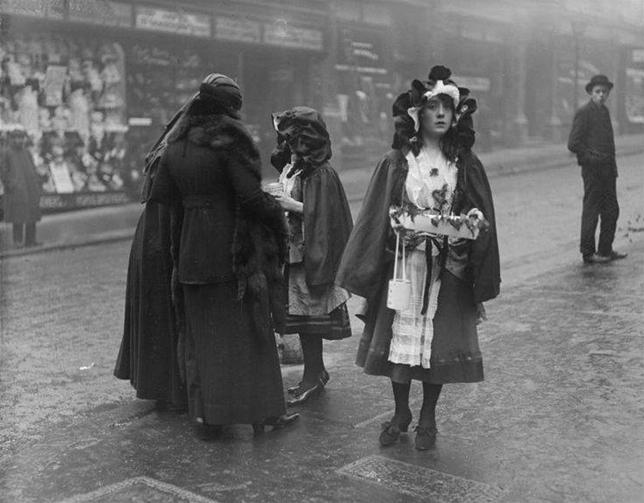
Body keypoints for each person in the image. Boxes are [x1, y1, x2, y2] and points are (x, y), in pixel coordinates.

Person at [336, 66, 500, 450]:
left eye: (447, 107)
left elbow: (478, 211)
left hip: (448, 268)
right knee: (400, 344)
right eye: (433, 107)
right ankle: (400, 412)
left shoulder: (464, 163)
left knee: (437, 346)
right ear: (417, 114)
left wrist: (472, 223)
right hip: (404, 266)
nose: (441, 114)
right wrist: (398, 231)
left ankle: (427, 415)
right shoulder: (398, 161)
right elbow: (378, 215)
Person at [147, 73, 298, 436]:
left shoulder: (177, 143)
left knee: (202, 336)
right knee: (251, 330)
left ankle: (208, 417)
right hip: (234, 253)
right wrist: (277, 215)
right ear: (231, 107)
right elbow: (249, 196)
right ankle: (265, 414)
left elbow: (161, 196)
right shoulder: (231, 139)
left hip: (190, 253)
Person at [114, 94, 194, 412]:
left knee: (155, 310)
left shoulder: (165, 145)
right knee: (168, 309)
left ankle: (159, 385)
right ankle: (173, 387)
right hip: (163, 233)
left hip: (149, 234)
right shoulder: (180, 150)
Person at [270, 107, 353, 406]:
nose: (287, 145)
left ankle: (313, 376)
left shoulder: (321, 173)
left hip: (311, 256)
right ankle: (314, 374)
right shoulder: (295, 168)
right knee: (302, 319)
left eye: (293, 140)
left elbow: (324, 215)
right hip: (294, 254)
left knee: (310, 320)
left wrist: (289, 203)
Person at [567, 74, 627, 264]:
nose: (601, 95)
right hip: (593, 172)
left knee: (611, 210)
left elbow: (608, 143)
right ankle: (588, 253)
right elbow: (573, 143)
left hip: (608, 171)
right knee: (592, 210)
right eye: (597, 92)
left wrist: (611, 166)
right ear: (591, 93)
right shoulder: (585, 112)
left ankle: (605, 250)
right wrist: (591, 159)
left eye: (604, 92)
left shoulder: (604, 112)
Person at [1, 128, 42, 247]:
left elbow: (33, 167)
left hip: (30, 187)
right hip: (17, 190)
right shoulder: (6, 152)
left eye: (21, 138)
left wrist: (36, 181)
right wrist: (10, 184)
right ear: (11, 139)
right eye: (16, 138)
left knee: (32, 214)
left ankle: (31, 240)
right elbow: (3, 171)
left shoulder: (27, 152)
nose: (19, 140)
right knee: (17, 216)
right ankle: (17, 242)